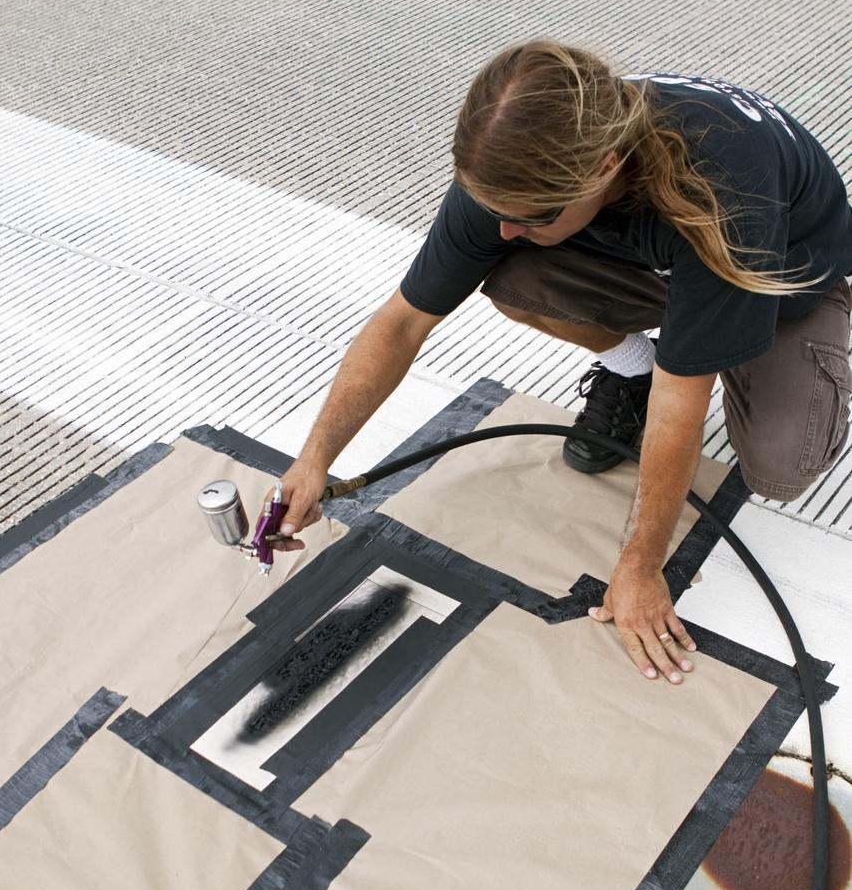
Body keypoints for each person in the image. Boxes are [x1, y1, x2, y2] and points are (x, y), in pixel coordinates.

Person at [265, 39, 852, 684]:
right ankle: (637, 365)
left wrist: (638, 569)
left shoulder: (719, 190)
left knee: (778, 465)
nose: (507, 228)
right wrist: (315, 458)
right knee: (518, 275)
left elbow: (682, 399)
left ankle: (742, 342)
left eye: (530, 216)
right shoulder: (515, 175)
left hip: (784, 281)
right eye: (497, 212)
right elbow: (403, 322)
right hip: (665, 261)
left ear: (603, 168)